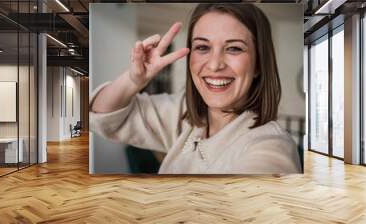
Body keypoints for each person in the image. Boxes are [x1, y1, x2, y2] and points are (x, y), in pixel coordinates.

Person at [90, 3, 302, 174]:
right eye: (202, 47)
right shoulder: (183, 114)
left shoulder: (271, 148)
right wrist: (133, 80)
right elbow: (103, 116)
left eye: (234, 48)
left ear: (258, 65)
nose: (214, 64)